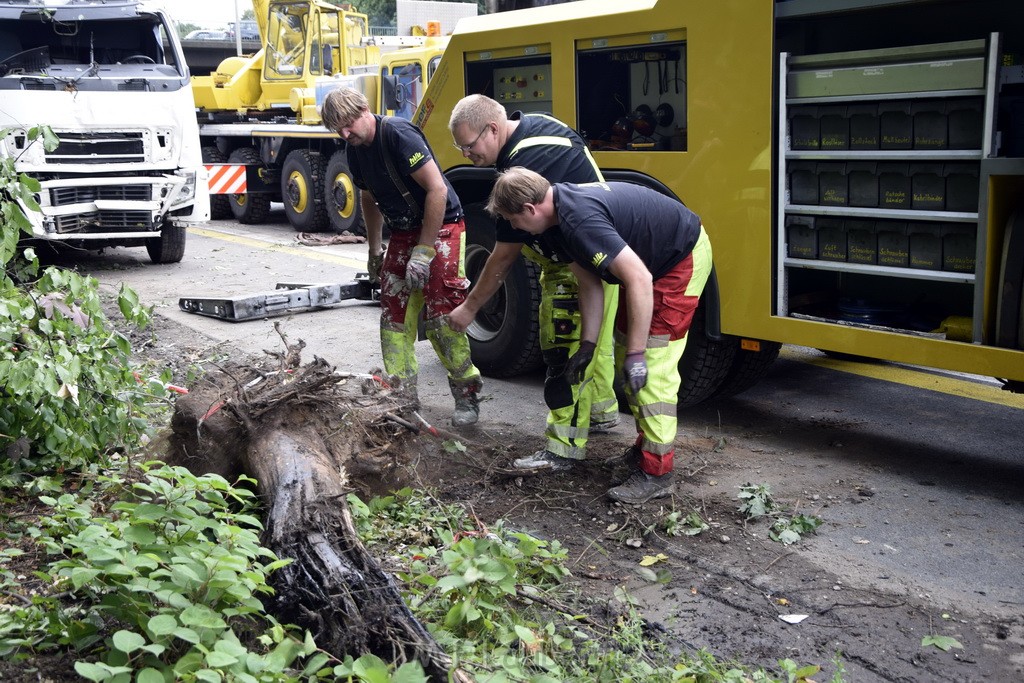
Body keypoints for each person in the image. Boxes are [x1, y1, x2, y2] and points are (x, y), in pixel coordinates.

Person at [486, 167, 713, 504]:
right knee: (625, 352)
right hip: (651, 265)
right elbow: (590, 283)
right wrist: (589, 344)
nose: (515, 229)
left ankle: (658, 473)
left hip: (678, 259)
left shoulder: (579, 220)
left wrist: (638, 355)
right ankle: (643, 451)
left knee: (651, 368)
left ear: (530, 210)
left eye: (514, 220)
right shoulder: (557, 224)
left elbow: (637, 278)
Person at [446, 94, 620, 471]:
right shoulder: (533, 129)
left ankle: (562, 450)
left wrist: (469, 308)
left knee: (564, 353)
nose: (466, 154)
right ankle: (602, 415)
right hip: (590, 256)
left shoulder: (526, 161)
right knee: (594, 345)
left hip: (578, 265)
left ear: (493, 129)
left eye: (469, 145)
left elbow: (504, 256)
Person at [321, 87, 482, 427]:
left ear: (365, 109)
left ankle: (466, 393)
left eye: (349, 124)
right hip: (402, 230)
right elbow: (367, 198)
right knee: (393, 316)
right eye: (339, 130)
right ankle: (401, 397)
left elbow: (437, 190)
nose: (346, 134)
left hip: (442, 226)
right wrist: (374, 248)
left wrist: (424, 252)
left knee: (441, 316)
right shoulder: (355, 151)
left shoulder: (398, 134)